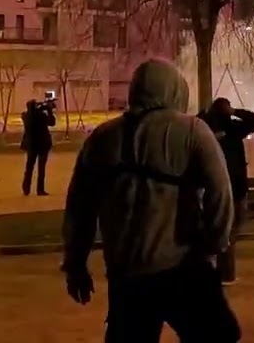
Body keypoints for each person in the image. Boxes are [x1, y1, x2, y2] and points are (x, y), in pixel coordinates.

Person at [62, 59, 238, 343]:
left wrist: (75, 264)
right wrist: (214, 244)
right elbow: (221, 193)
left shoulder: (101, 138)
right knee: (218, 335)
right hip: (181, 266)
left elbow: (79, 207)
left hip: (126, 274)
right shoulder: (193, 131)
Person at [200, 96, 254, 285]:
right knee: (231, 230)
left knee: (218, 228)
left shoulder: (205, 128)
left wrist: (207, 113)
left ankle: (215, 271)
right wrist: (235, 112)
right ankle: (226, 273)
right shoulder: (234, 129)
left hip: (212, 187)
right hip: (235, 187)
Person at [21, 96, 56, 196]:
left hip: (31, 145)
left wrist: (40, 108)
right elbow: (52, 122)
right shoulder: (41, 116)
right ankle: (40, 190)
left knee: (29, 167)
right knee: (41, 169)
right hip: (42, 145)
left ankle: (26, 188)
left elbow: (31, 113)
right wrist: (49, 110)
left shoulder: (25, 116)